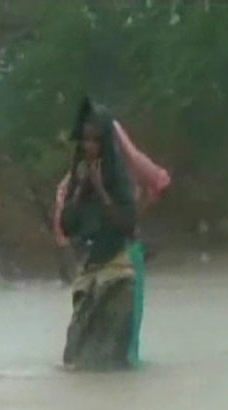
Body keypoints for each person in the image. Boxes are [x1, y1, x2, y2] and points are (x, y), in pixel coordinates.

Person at [58, 97, 145, 370]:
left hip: (117, 272)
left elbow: (127, 224)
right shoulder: (78, 177)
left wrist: (103, 192)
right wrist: (82, 189)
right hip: (89, 273)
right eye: (85, 141)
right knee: (74, 358)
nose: (89, 147)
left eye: (95, 141)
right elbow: (67, 225)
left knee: (112, 360)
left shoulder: (119, 178)